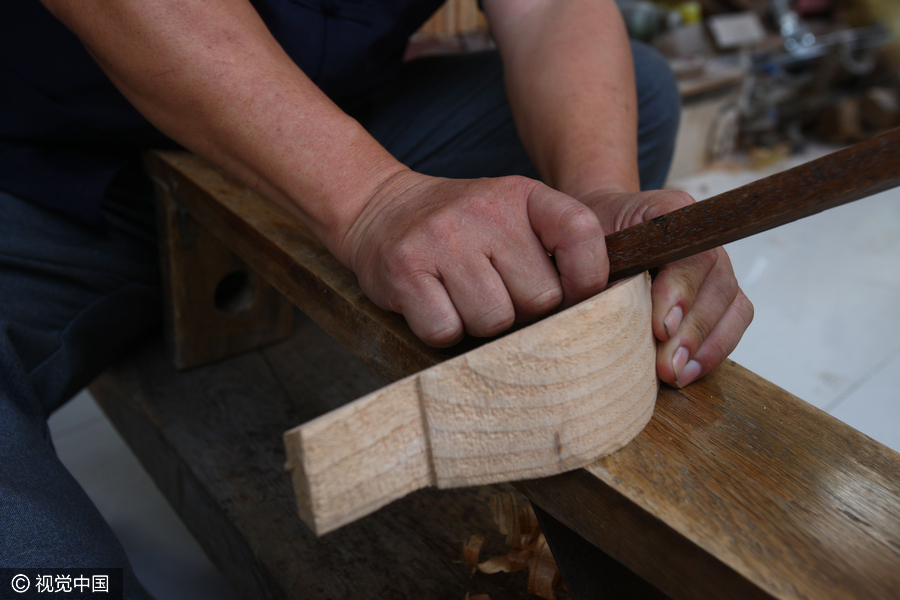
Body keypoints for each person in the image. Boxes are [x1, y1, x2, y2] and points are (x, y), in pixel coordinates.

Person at [0, 0, 753, 597]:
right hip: (44, 171)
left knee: (638, 94)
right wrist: (373, 199)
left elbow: (550, 9)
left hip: (326, 123)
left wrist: (596, 202)